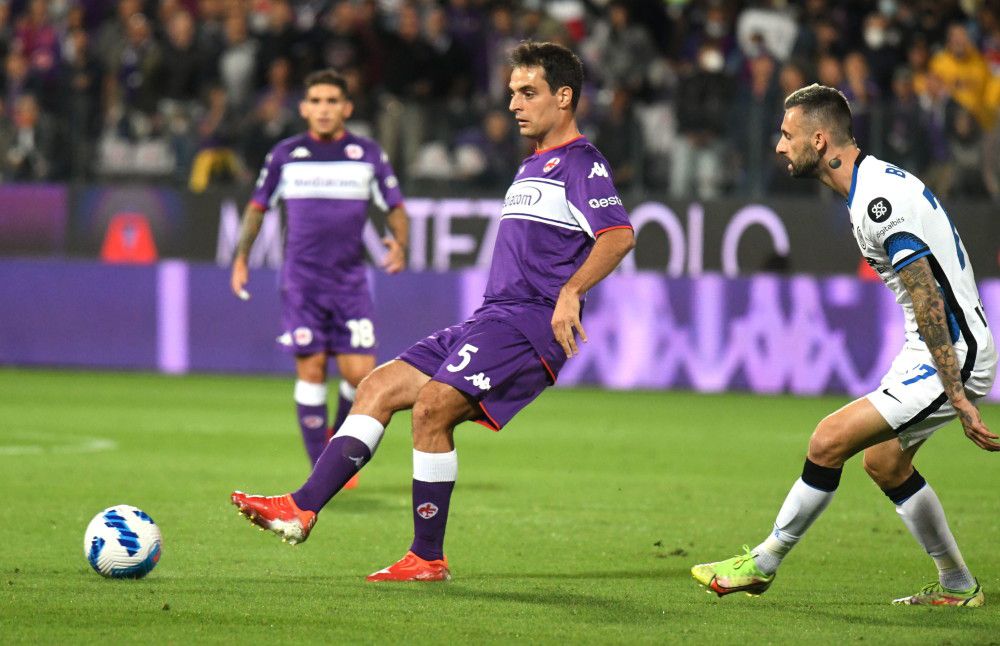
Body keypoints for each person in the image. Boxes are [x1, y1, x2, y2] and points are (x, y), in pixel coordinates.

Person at [230, 41, 635, 581]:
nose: (514, 103)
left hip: (528, 323)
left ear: (564, 97)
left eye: (528, 92)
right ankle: (302, 508)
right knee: (378, 387)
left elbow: (618, 235)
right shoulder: (531, 164)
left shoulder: (581, 163)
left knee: (432, 409)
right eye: (512, 92)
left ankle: (427, 556)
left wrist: (571, 292)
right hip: (491, 317)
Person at [691, 84, 998, 606]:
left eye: (787, 135)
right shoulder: (870, 187)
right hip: (938, 349)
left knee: (826, 440)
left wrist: (959, 393)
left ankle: (762, 563)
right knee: (884, 463)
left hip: (953, 353)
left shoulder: (879, 201)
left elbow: (926, 298)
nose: (779, 146)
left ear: (819, 138)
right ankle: (958, 586)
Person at [230, 69, 409, 483]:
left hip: (349, 282)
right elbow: (258, 207)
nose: (325, 109)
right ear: (305, 107)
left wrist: (400, 243)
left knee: (360, 377)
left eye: (333, 101)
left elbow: (395, 205)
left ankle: (336, 440)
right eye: (317, 101)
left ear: (346, 107)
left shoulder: (367, 154)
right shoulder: (286, 156)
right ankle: (324, 468)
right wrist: (242, 257)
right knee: (311, 370)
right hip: (303, 283)